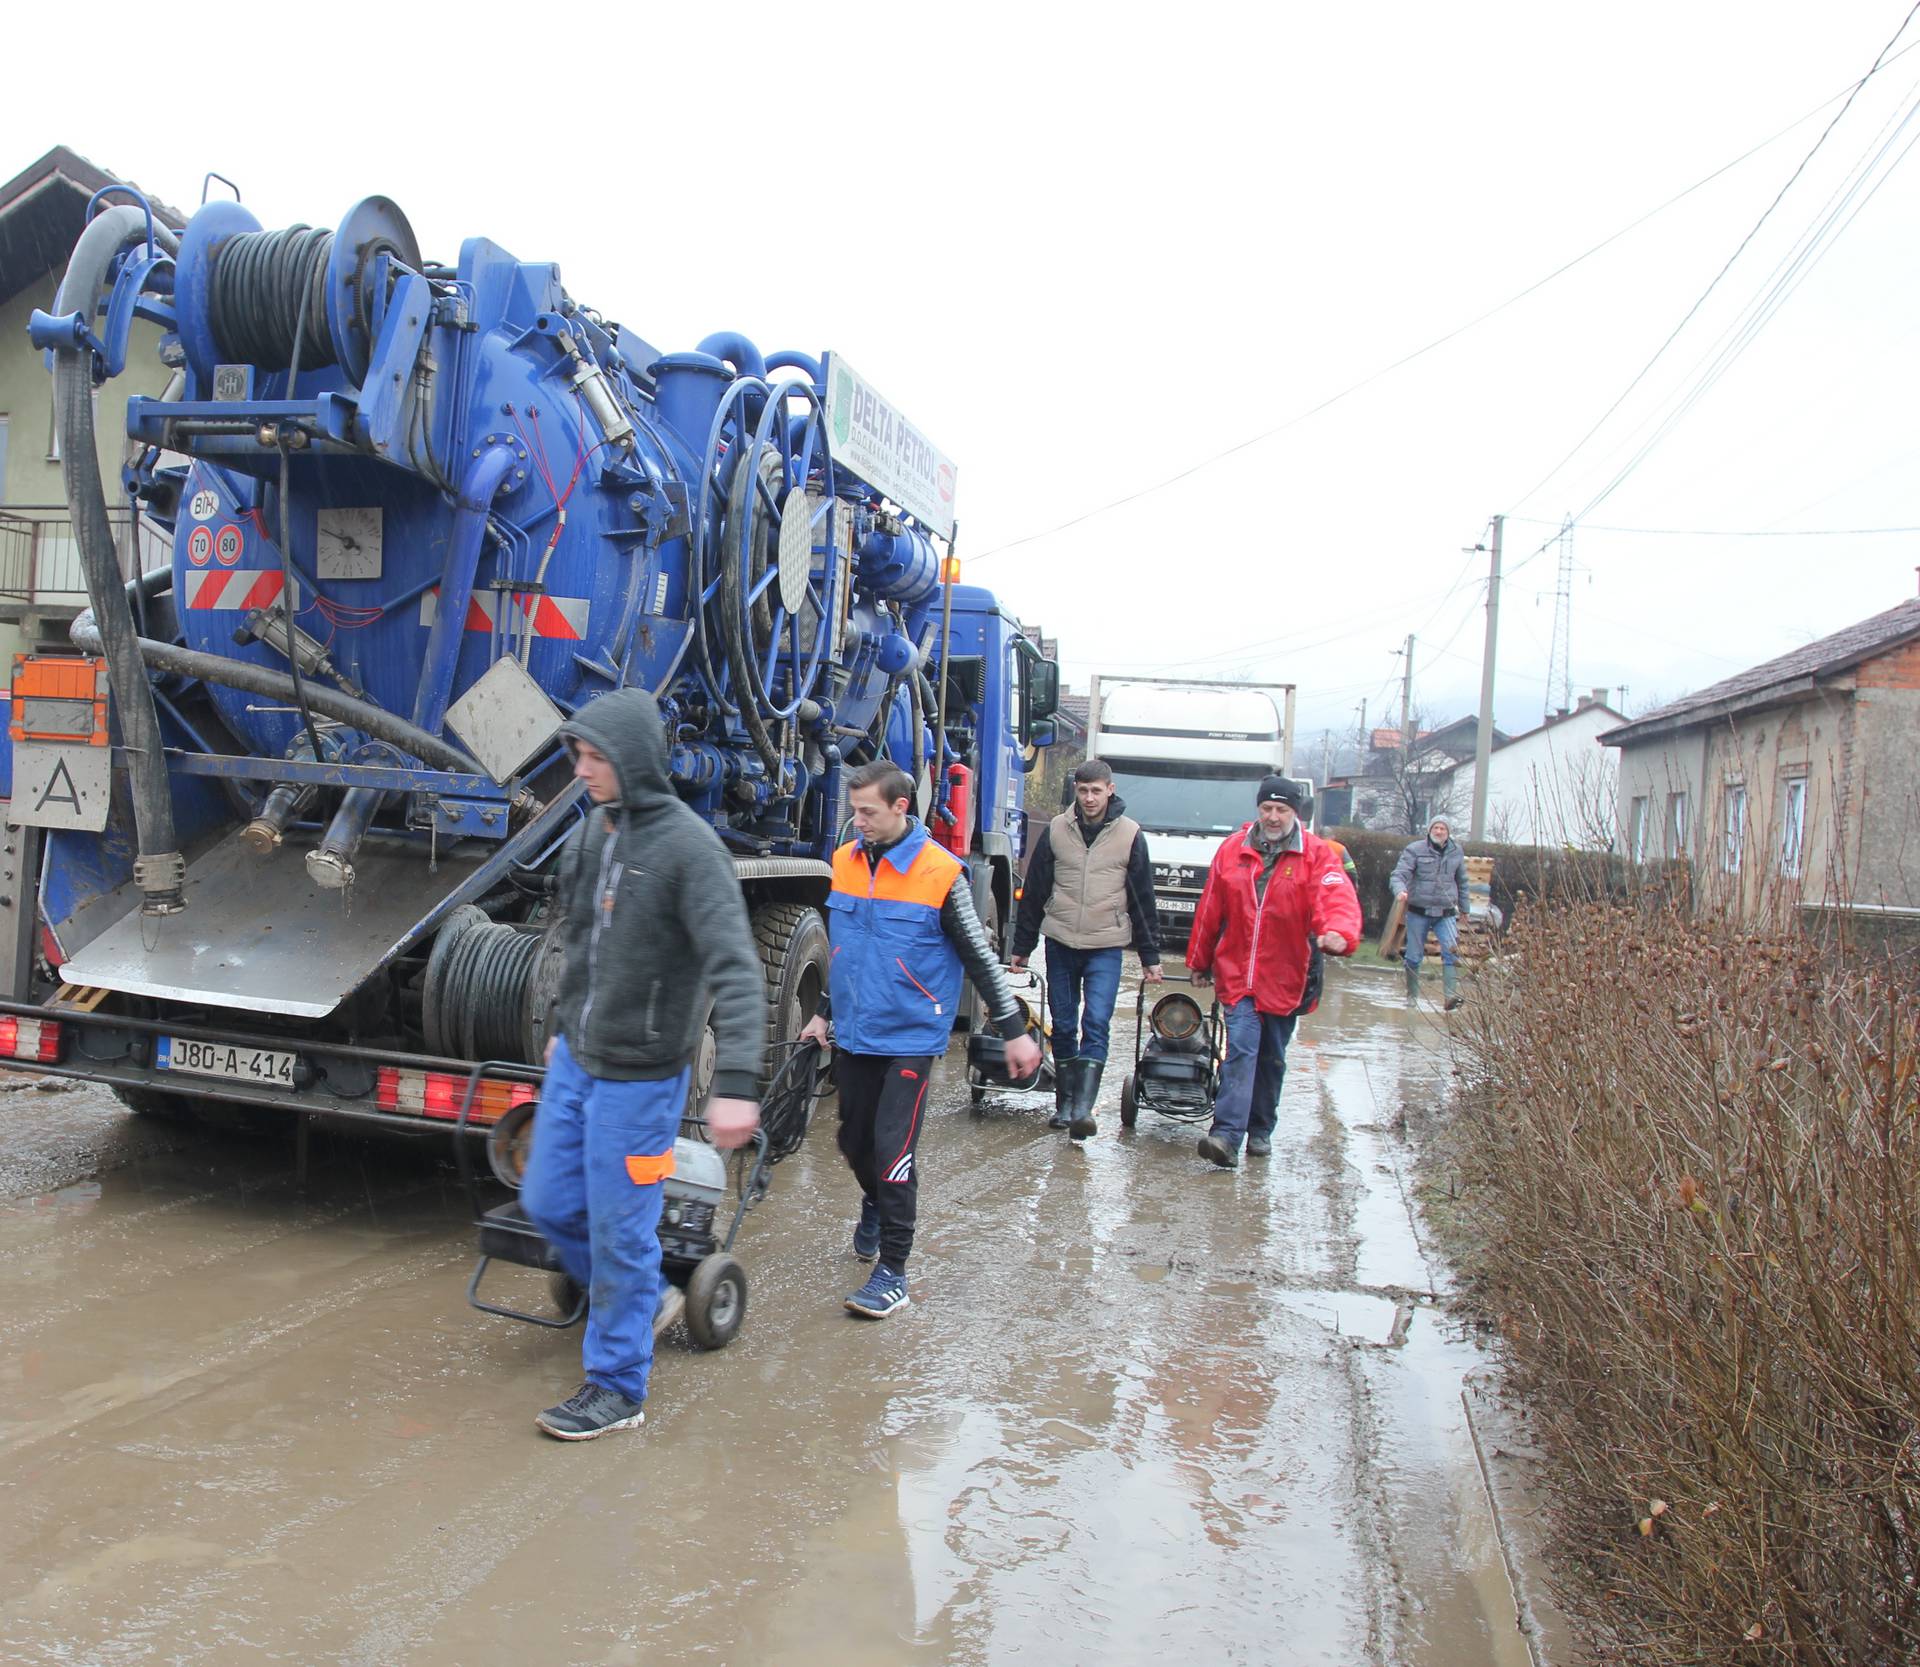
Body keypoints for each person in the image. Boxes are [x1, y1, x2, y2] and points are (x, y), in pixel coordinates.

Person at [522, 688, 765, 1440]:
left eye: (596, 758)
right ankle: (646, 1297)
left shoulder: (692, 851)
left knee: (623, 1229)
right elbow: (579, 941)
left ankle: (618, 1385)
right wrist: (564, 1023)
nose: (584, 770)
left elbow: (735, 968)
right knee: (550, 1201)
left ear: (634, 759)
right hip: (579, 1061)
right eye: (579, 755)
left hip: (643, 1077)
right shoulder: (596, 832)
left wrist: (734, 1085)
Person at [800, 762, 1042, 1318]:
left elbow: (981, 959)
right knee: (854, 1145)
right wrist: (822, 1014)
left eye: (868, 812)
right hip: (858, 1032)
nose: (856, 822)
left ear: (900, 808)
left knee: (893, 1150)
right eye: (854, 810)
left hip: (911, 1035)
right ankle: (875, 1204)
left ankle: (893, 1272)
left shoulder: (941, 873)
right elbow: (846, 951)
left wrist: (1014, 1033)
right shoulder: (844, 861)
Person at [1186, 776, 1361, 1169]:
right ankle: (1226, 1136)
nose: (1273, 816)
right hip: (1238, 974)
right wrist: (1199, 960)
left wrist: (1340, 934)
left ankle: (1261, 1129)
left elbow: (1336, 898)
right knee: (1242, 1051)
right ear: (1258, 809)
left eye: (1281, 810)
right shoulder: (1233, 849)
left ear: (1295, 813)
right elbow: (1211, 907)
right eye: (1267, 808)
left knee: (1271, 1058)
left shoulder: (1317, 855)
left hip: (1288, 976)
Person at [1010, 758, 1163, 1139]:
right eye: (1083, 790)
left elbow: (1143, 898)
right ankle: (1065, 1104)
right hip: (1061, 941)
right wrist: (1022, 947)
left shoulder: (1130, 835)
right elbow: (1034, 892)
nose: (1090, 798)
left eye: (1096, 790)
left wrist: (1151, 957)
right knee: (1063, 1025)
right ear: (1075, 791)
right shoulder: (1058, 830)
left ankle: (1082, 1108)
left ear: (1110, 789)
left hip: (1106, 945)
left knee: (1095, 1022)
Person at [1390, 815, 1469, 1009]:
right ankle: (1412, 998)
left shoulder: (1456, 851)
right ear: (1429, 830)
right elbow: (1399, 874)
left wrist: (1465, 910)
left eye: (1443, 828)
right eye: (1436, 827)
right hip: (1418, 911)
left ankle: (1450, 998)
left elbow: (1463, 881)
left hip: (1446, 912)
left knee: (1451, 953)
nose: (1439, 831)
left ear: (1448, 832)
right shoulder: (1415, 849)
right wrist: (1400, 890)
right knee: (1413, 956)